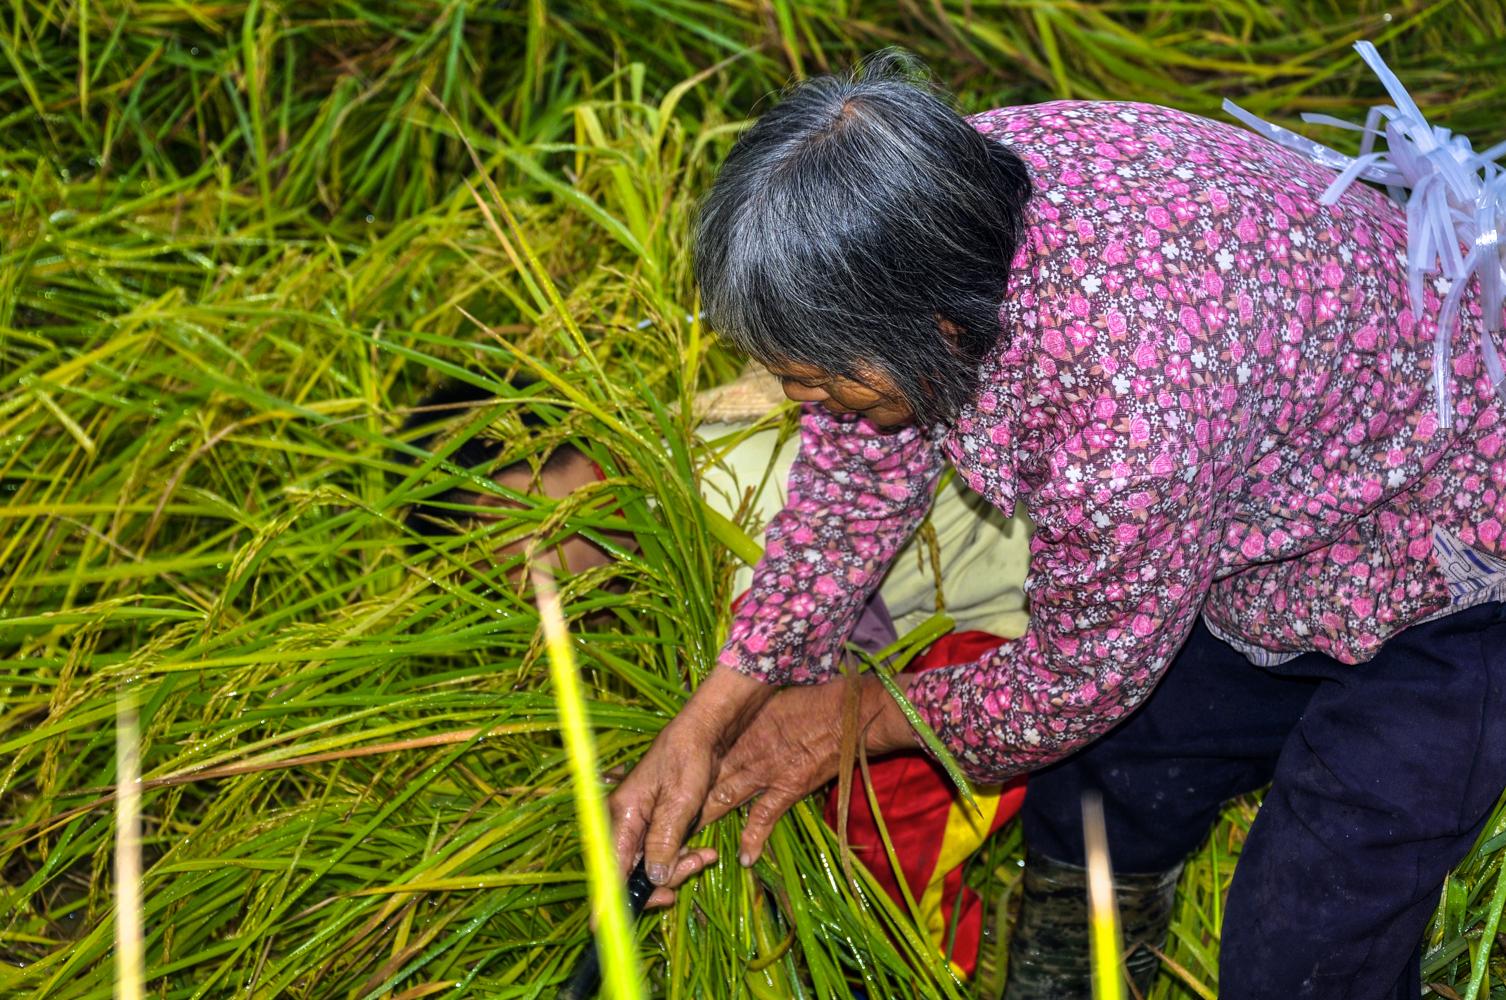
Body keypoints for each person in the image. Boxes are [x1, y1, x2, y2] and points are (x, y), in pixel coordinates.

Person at [606, 49, 1506, 1000]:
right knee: (1105, 785)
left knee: (1306, 944)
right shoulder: (944, 194)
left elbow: (1078, 676)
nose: (798, 400)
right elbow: (855, 477)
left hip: (1456, 557)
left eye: (824, 376)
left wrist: (854, 719)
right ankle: (1084, 962)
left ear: (940, 330)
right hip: (1289, 501)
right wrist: (715, 712)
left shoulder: (1124, 422)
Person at [399, 373, 1034, 977]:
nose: (514, 593)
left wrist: (681, 804)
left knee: (863, 842)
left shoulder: (728, 498)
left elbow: (813, 697)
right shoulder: (644, 472)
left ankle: (924, 970)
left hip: (1028, 637)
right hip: (902, 642)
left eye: (492, 560)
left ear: (510, 497)